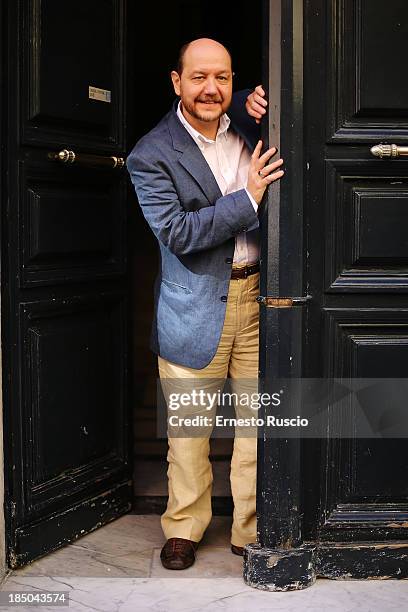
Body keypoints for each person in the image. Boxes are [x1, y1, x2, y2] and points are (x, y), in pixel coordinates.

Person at [126, 38, 283, 570]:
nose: (211, 88)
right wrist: (248, 199)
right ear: (177, 82)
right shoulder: (151, 153)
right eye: (198, 77)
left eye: (222, 77)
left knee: (258, 425)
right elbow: (179, 232)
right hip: (193, 305)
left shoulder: (251, 124)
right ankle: (185, 526)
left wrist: (261, 101)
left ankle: (250, 527)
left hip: (261, 298)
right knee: (189, 434)